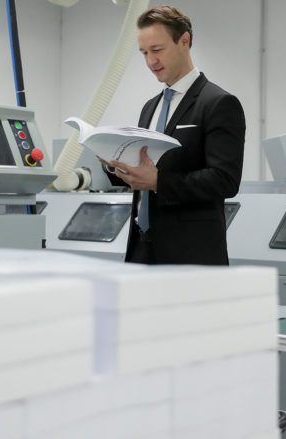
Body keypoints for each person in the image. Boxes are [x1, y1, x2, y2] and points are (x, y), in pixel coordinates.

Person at [104, 5, 245, 265]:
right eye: (144, 53)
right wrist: (115, 163)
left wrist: (159, 182)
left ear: (184, 41)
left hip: (189, 254)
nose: (150, 62)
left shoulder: (218, 103)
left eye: (157, 50)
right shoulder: (150, 107)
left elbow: (225, 180)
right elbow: (146, 169)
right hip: (141, 249)